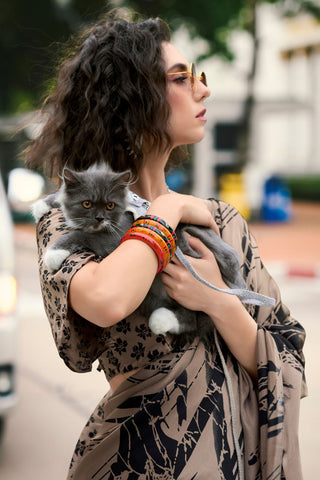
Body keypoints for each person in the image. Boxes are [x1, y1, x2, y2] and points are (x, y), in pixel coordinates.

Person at [26, 10, 307, 480]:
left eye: (199, 76)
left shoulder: (221, 222)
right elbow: (106, 298)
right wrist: (168, 211)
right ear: (132, 98)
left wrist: (218, 300)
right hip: (134, 462)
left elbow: (287, 360)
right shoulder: (70, 217)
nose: (203, 89)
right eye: (181, 78)